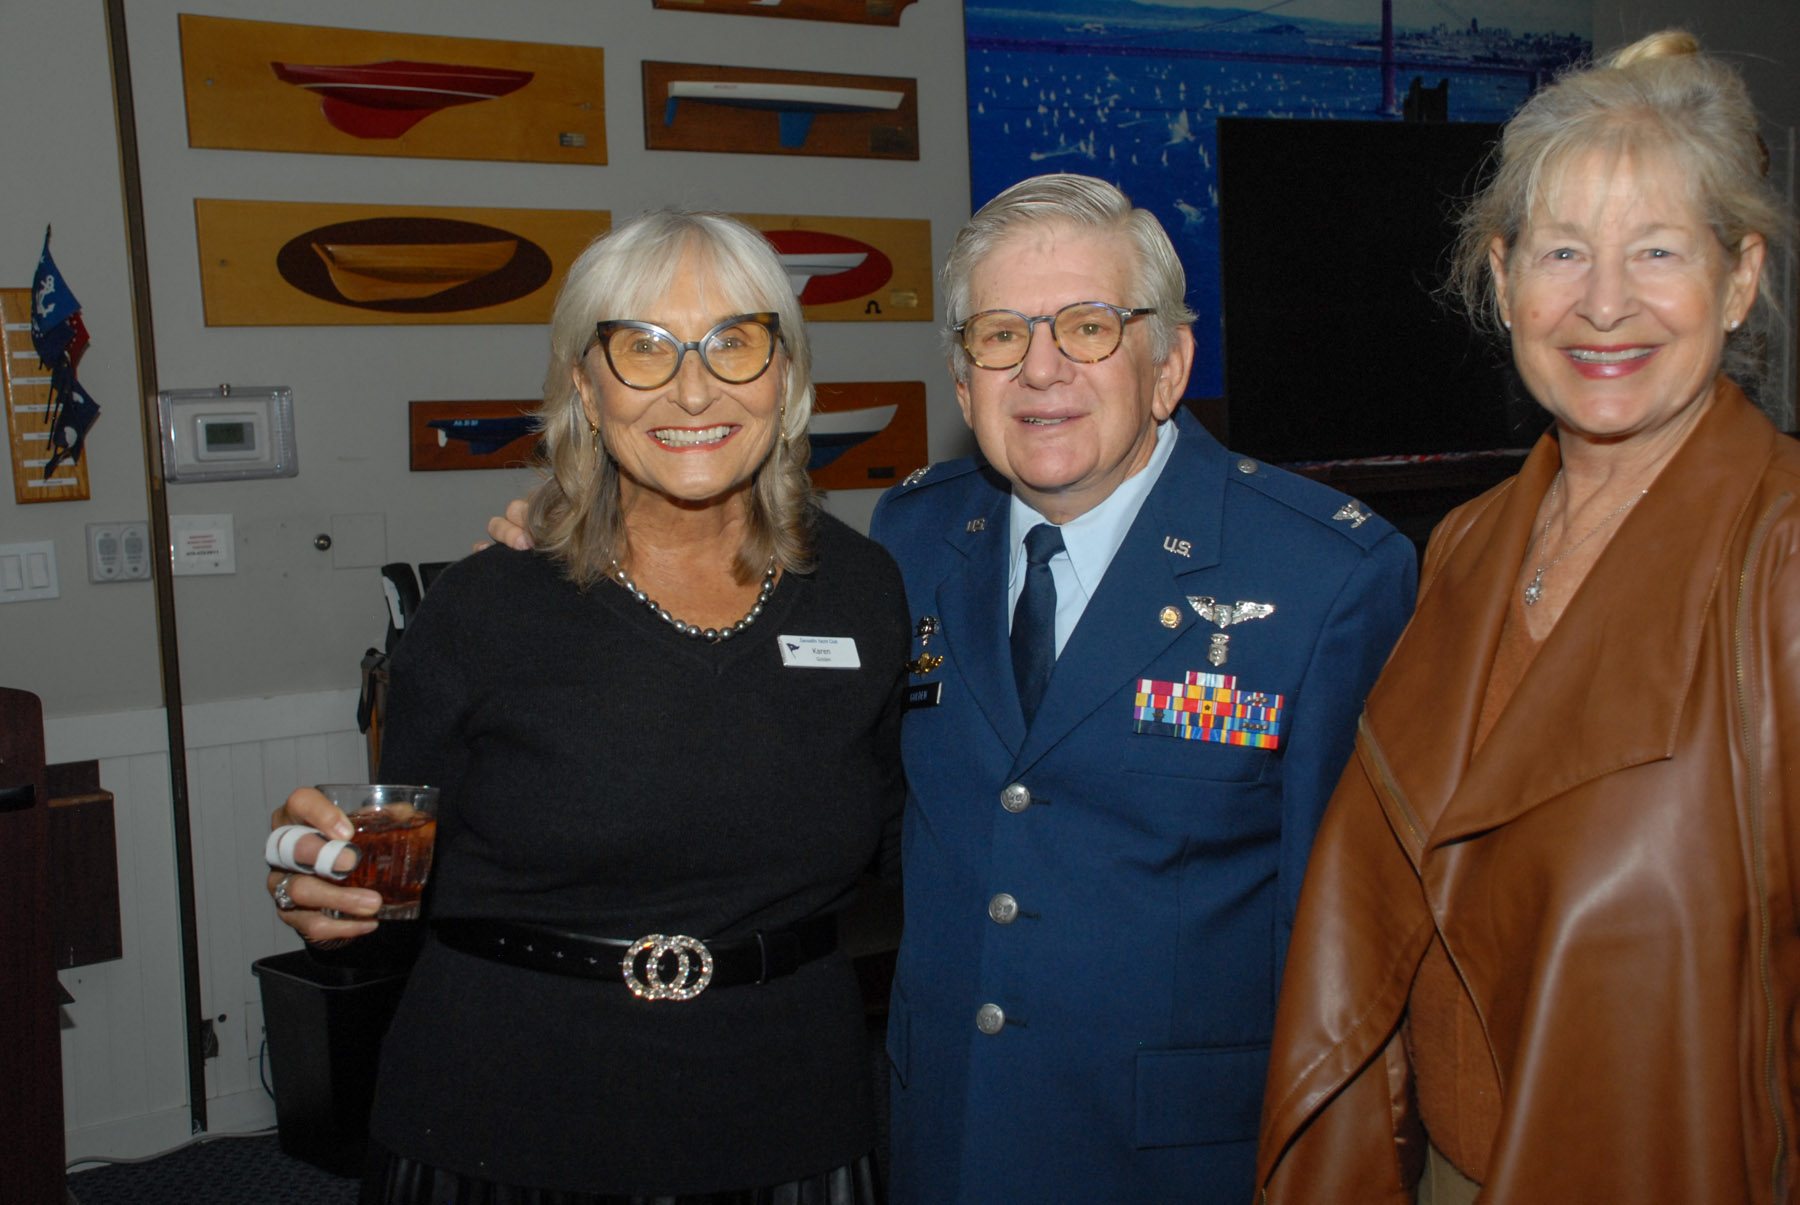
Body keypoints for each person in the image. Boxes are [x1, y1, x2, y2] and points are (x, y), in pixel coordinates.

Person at [488, 174, 1416, 1201]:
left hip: (1184, 1157)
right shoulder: (913, 539)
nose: (1041, 368)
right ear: (964, 384)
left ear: (1169, 366)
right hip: (947, 1134)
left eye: (1090, 327)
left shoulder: (1324, 576)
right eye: (1000, 335)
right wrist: (578, 539)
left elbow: (1358, 946)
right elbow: (790, 746)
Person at [268, 209, 909, 1203]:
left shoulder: (862, 591)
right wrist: (324, 875)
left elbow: (907, 839)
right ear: (584, 382)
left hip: (788, 1112)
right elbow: (388, 871)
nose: (693, 388)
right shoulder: (485, 606)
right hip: (500, 1117)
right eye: (643, 348)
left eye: (734, 342)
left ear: (785, 373)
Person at [1256, 32, 1798, 1204]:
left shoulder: (1786, 561)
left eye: (1658, 250)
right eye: (1563, 251)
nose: (1604, 302)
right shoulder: (1466, 545)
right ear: (1502, 282)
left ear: (1739, 278)